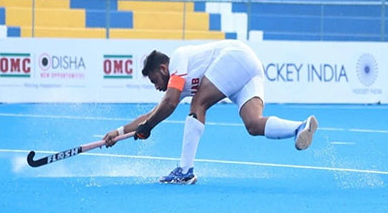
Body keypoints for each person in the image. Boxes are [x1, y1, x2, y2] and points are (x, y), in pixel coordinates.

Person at [103, 40, 318, 184]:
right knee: (253, 124)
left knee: (198, 105)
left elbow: (168, 103)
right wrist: (119, 132)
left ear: (163, 69)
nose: (156, 86)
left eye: (154, 81)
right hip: (248, 66)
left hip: (235, 57)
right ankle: (299, 127)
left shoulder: (178, 59)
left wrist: (148, 128)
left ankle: (185, 171)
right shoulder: (177, 83)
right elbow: (155, 111)